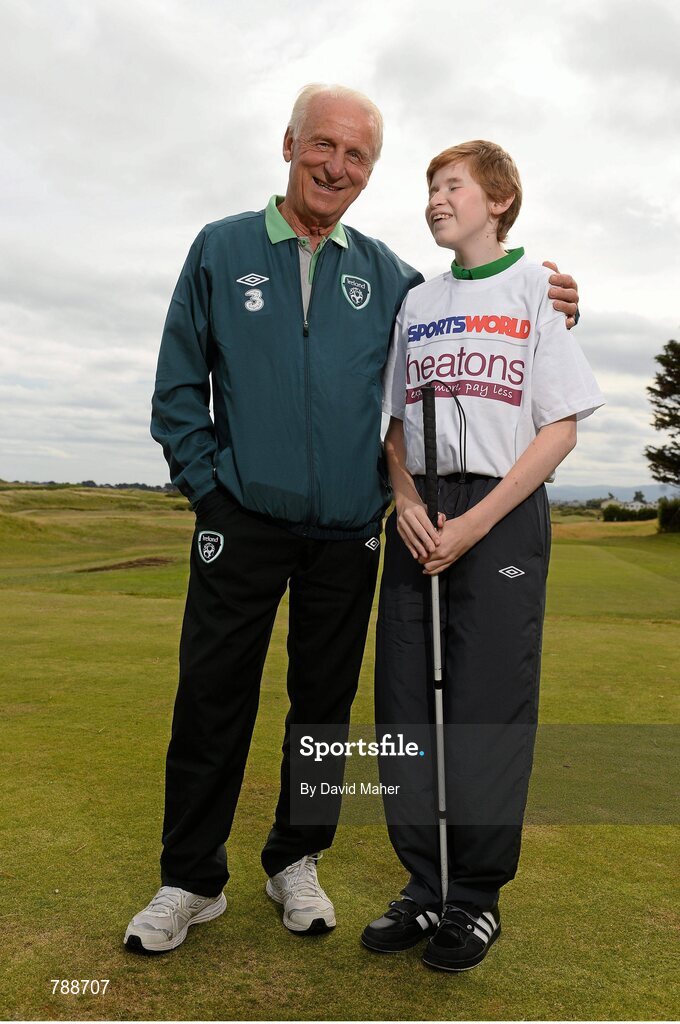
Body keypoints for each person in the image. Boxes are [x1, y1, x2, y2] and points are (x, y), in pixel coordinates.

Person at [124, 89, 580, 954]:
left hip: (346, 530)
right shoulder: (221, 248)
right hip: (243, 519)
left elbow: (467, 316)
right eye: (324, 146)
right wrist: (209, 490)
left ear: (370, 170)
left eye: (359, 156)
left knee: (323, 711)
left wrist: (554, 299)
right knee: (213, 698)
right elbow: (179, 385)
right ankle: (190, 878)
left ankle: (296, 859)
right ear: (290, 143)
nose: (338, 166)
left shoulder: (392, 279)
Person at [361, 140, 603, 972]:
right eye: (428, 188)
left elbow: (560, 424)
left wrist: (475, 524)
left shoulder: (537, 285)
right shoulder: (415, 300)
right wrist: (405, 500)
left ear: (496, 199)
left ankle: (476, 898)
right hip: (420, 509)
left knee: (486, 706)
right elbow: (394, 427)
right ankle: (424, 889)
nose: (433, 199)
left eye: (450, 186)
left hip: (499, 508)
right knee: (404, 704)